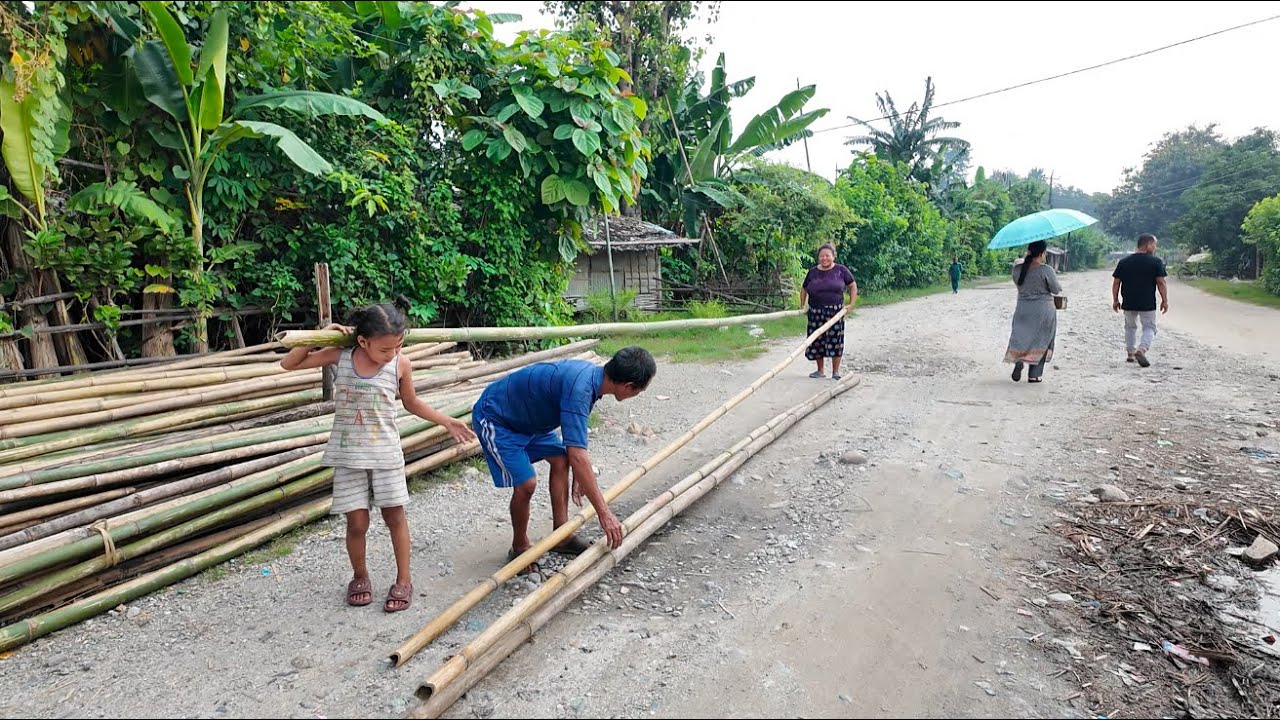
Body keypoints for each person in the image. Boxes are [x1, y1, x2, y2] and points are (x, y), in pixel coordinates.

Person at [280, 299, 475, 612]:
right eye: (385, 349)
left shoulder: (400, 364)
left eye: (398, 346)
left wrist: (445, 420)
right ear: (362, 341)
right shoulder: (340, 356)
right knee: (356, 523)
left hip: (386, 454)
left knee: (394, 516)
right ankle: (360, 576)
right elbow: (289, 364)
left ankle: (404, 579)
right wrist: (324, 333)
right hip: (349, 456)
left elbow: (411, 403)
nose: (392, 354)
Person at [472, 346, 657, 573]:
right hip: (498, 418)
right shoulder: (581, 388)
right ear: (628, 386)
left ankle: (562, 535)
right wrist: (604, 514)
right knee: (526, 484)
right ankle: (519, 546)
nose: (635, 396)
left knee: (561, 459)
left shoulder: (592, 381)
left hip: (529, 419)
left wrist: (579, 468)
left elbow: (575, 450)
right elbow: (578, 455)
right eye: (637, 392)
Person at [1004, 240, 1062, 384]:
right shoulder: (1046, 270)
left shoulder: (1017, 269)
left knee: (1022, 336)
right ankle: (1034, 375)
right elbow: (1055, 289)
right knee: (1042, 339)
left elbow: (1019, 284)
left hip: (1023, 309)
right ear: (1042, 253)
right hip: (1043, 310)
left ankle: (1019, 359)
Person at [799, 243, 858, 380]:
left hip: (835, 312)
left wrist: (851, 304)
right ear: (818, 257)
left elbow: (852, 285)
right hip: (815, 311)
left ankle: (835, 372)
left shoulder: (841, 270)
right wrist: (802, 305)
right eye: (821, 256)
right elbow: (804, 288)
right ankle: (820, 370)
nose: (824, 258)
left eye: (827, 255)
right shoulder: (813, 272)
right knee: (816, 340)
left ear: (833, 256)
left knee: (835, 340)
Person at [1111, 233, 1169, 367]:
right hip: (1147, 302)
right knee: (1149, 327)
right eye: (1154, 244)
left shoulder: (1124, 262)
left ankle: (1130, 354)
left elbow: (1116, 283)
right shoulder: (1156, 262)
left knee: (1130, 327)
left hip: (1128, 301)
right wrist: (1164, 300)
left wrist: (1115, 300)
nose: (1155, 247)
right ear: (1147, 245)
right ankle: (1142, 349)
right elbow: (1161, 282)